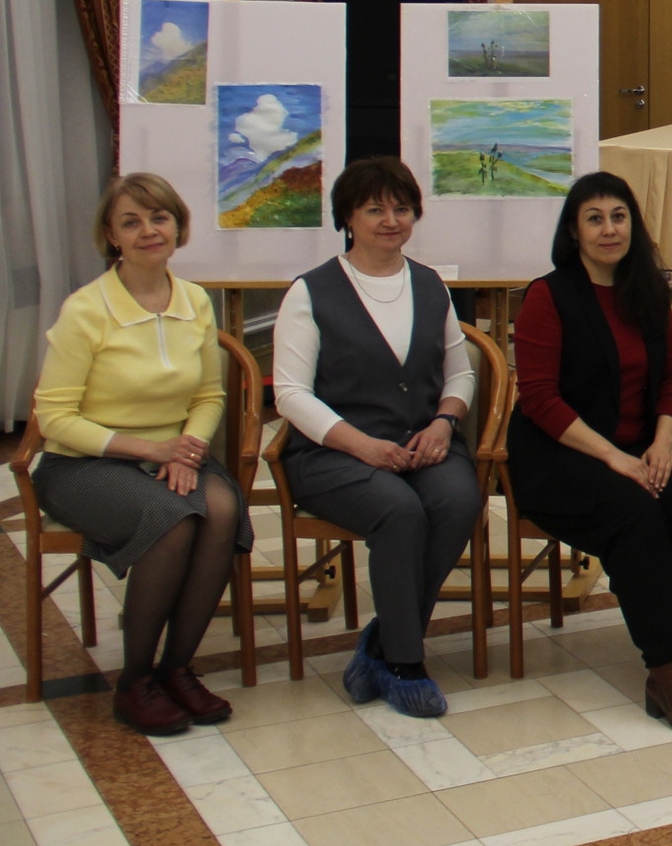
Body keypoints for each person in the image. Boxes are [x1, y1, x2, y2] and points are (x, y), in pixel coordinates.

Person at [509, 172, 672, 733]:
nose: (609, 229)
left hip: (637, 451)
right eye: (594, 219)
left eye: (618, 217)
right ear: (574, 231)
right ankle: (667, 672)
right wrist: (614, 458)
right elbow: (539, 398)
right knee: (635, 511)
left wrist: (663, 443)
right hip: (559, 459)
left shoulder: (647, 292)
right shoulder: (548, 295)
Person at [31, 175, 251, 735]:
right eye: (131, 222)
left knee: (223, 509)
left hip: (173, 451)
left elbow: (208, 396)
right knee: (172, 519)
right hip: (83, 462)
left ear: (178, 226)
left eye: (159, 218)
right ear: (112, 235)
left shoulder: (195, 300)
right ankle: (135, 682)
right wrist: (152, 448)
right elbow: (55, 417)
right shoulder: (85, 310)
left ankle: (177, 669)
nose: (148, 231)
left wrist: (185, 452)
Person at [273, 158, 483, 718]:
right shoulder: (310, 292)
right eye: (374, 209)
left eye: (402, 208)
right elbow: (290, 394)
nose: (391, 221)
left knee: (459, 500)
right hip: (333, 453)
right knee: (399, 511)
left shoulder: (430, 284)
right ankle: (404, 662)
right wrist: (362, 445)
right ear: (347, 217)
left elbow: (460, 373)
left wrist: (444, 422)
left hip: (423, 442)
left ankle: (383, 640)